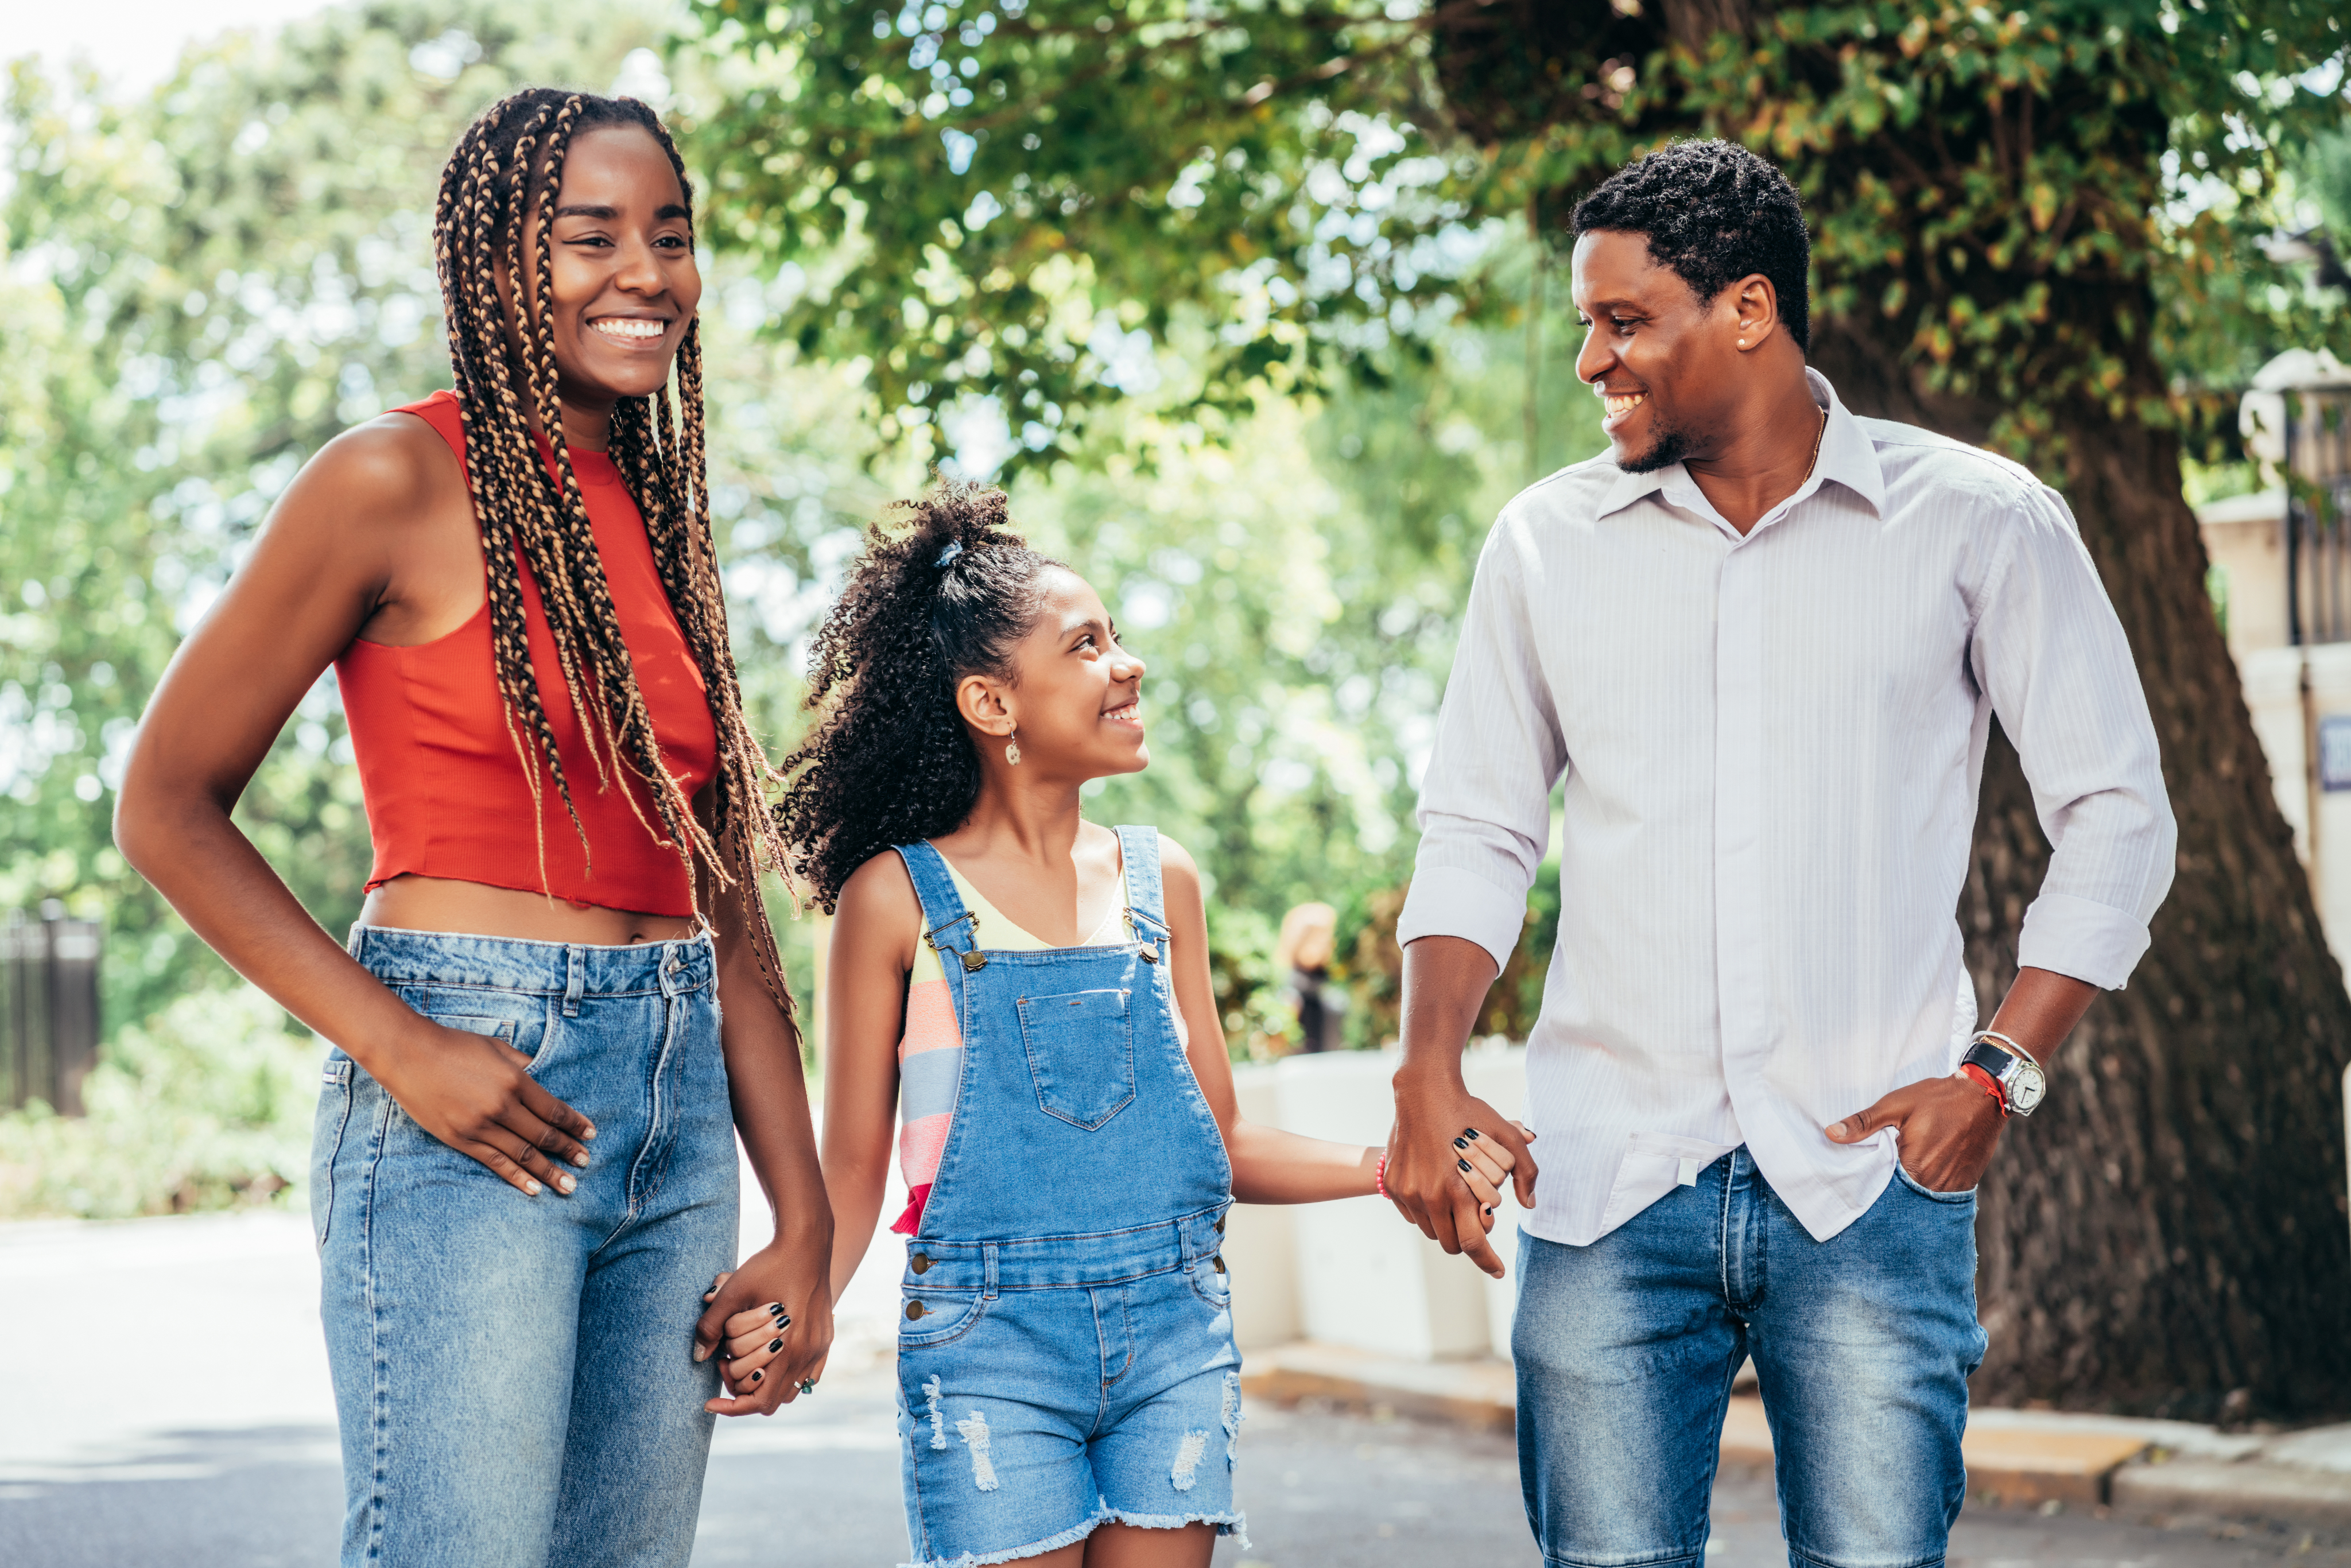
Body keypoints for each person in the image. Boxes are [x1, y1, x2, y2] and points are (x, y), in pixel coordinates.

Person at [1381, 139, 2174, 1566]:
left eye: (1625, 322)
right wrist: (1426, 1063)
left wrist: (2002, 1069)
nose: (1590, 362)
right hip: (1607, 1182)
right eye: (1585, 324)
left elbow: (2119, 811)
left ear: (1748, 309)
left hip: (1869, 1184)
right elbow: (1480, 827)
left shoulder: (1981, 521)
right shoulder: (1544, 545)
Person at [114, 89, 832, 1567]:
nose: (645, 272)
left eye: (672, 236)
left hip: (675, 1101)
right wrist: (403, 1046)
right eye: (591, 237)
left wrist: (807, 1220)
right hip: (473, 1080)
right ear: (496, 261)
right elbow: (166, 807)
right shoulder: (387, 478)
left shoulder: (659, 516)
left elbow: (731, 911)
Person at [712, 480, 1514, 1568]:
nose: (1126, 662)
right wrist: (797, 1309)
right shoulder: (894, 901)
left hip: (1173, 1339)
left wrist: (1395, 1166)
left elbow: (1216, 1145)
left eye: (1117, 637)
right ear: (993, 704)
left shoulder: (1162, 882)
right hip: (988, 1346)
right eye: (1085, 644)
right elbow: (851, 1176)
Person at [1273, 901, 1340, 1052]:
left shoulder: (1333, 984)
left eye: (1325, 935)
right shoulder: (1283, 988)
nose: (1320, 943)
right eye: (1312, 936)